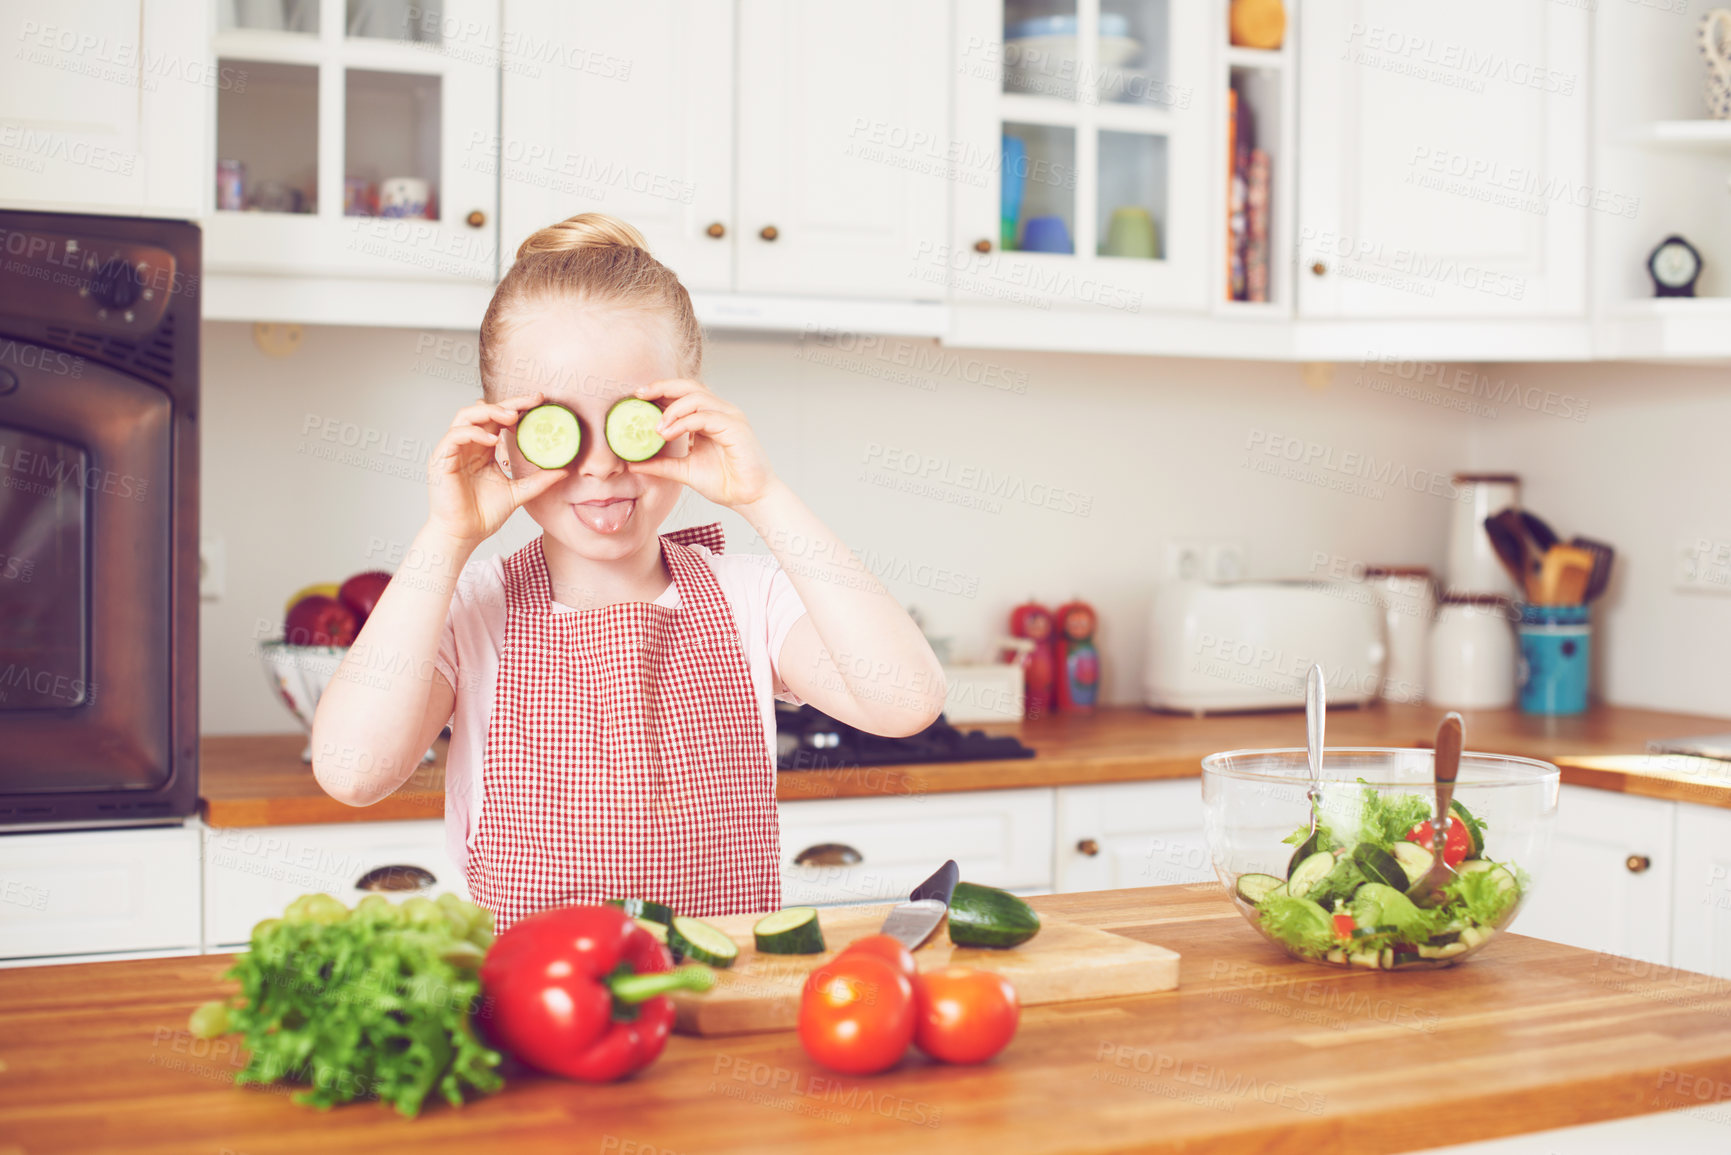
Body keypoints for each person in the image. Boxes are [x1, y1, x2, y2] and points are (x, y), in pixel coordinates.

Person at [311, 214, 946, 929]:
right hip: (532, 1018)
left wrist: (763, 495)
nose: (601, 464)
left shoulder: (749, 597)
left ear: (686, 412)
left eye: (631, 419)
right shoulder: (469, 610)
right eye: (558, 426)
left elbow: (906, 701)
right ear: (504, 440)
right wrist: (446, 535)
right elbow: (350, 771)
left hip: (716, 1004)